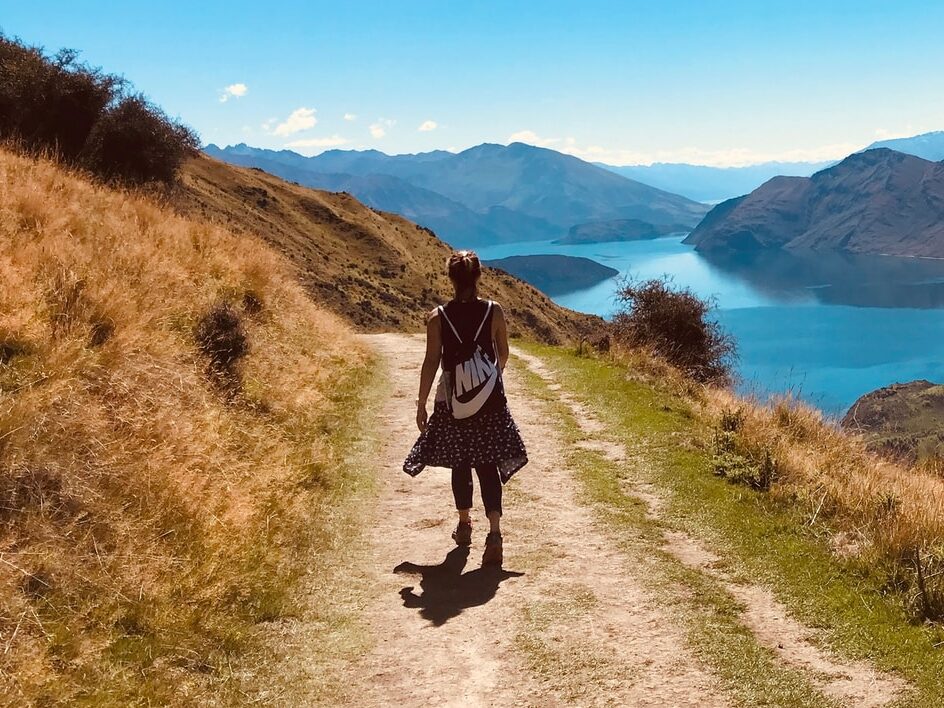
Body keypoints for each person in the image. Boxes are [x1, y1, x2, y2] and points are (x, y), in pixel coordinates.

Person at [404, 250, 528, 566]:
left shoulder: (438, 317)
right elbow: (504, 353)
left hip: (451, 402)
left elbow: (431, 362)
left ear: (450, 278)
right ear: (478, 277)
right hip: (490, 401)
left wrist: (421, 403)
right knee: (487, 464)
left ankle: (463, 524)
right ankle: (495, 533)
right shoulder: (494, 311)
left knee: (460, 463)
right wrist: (485, 380)